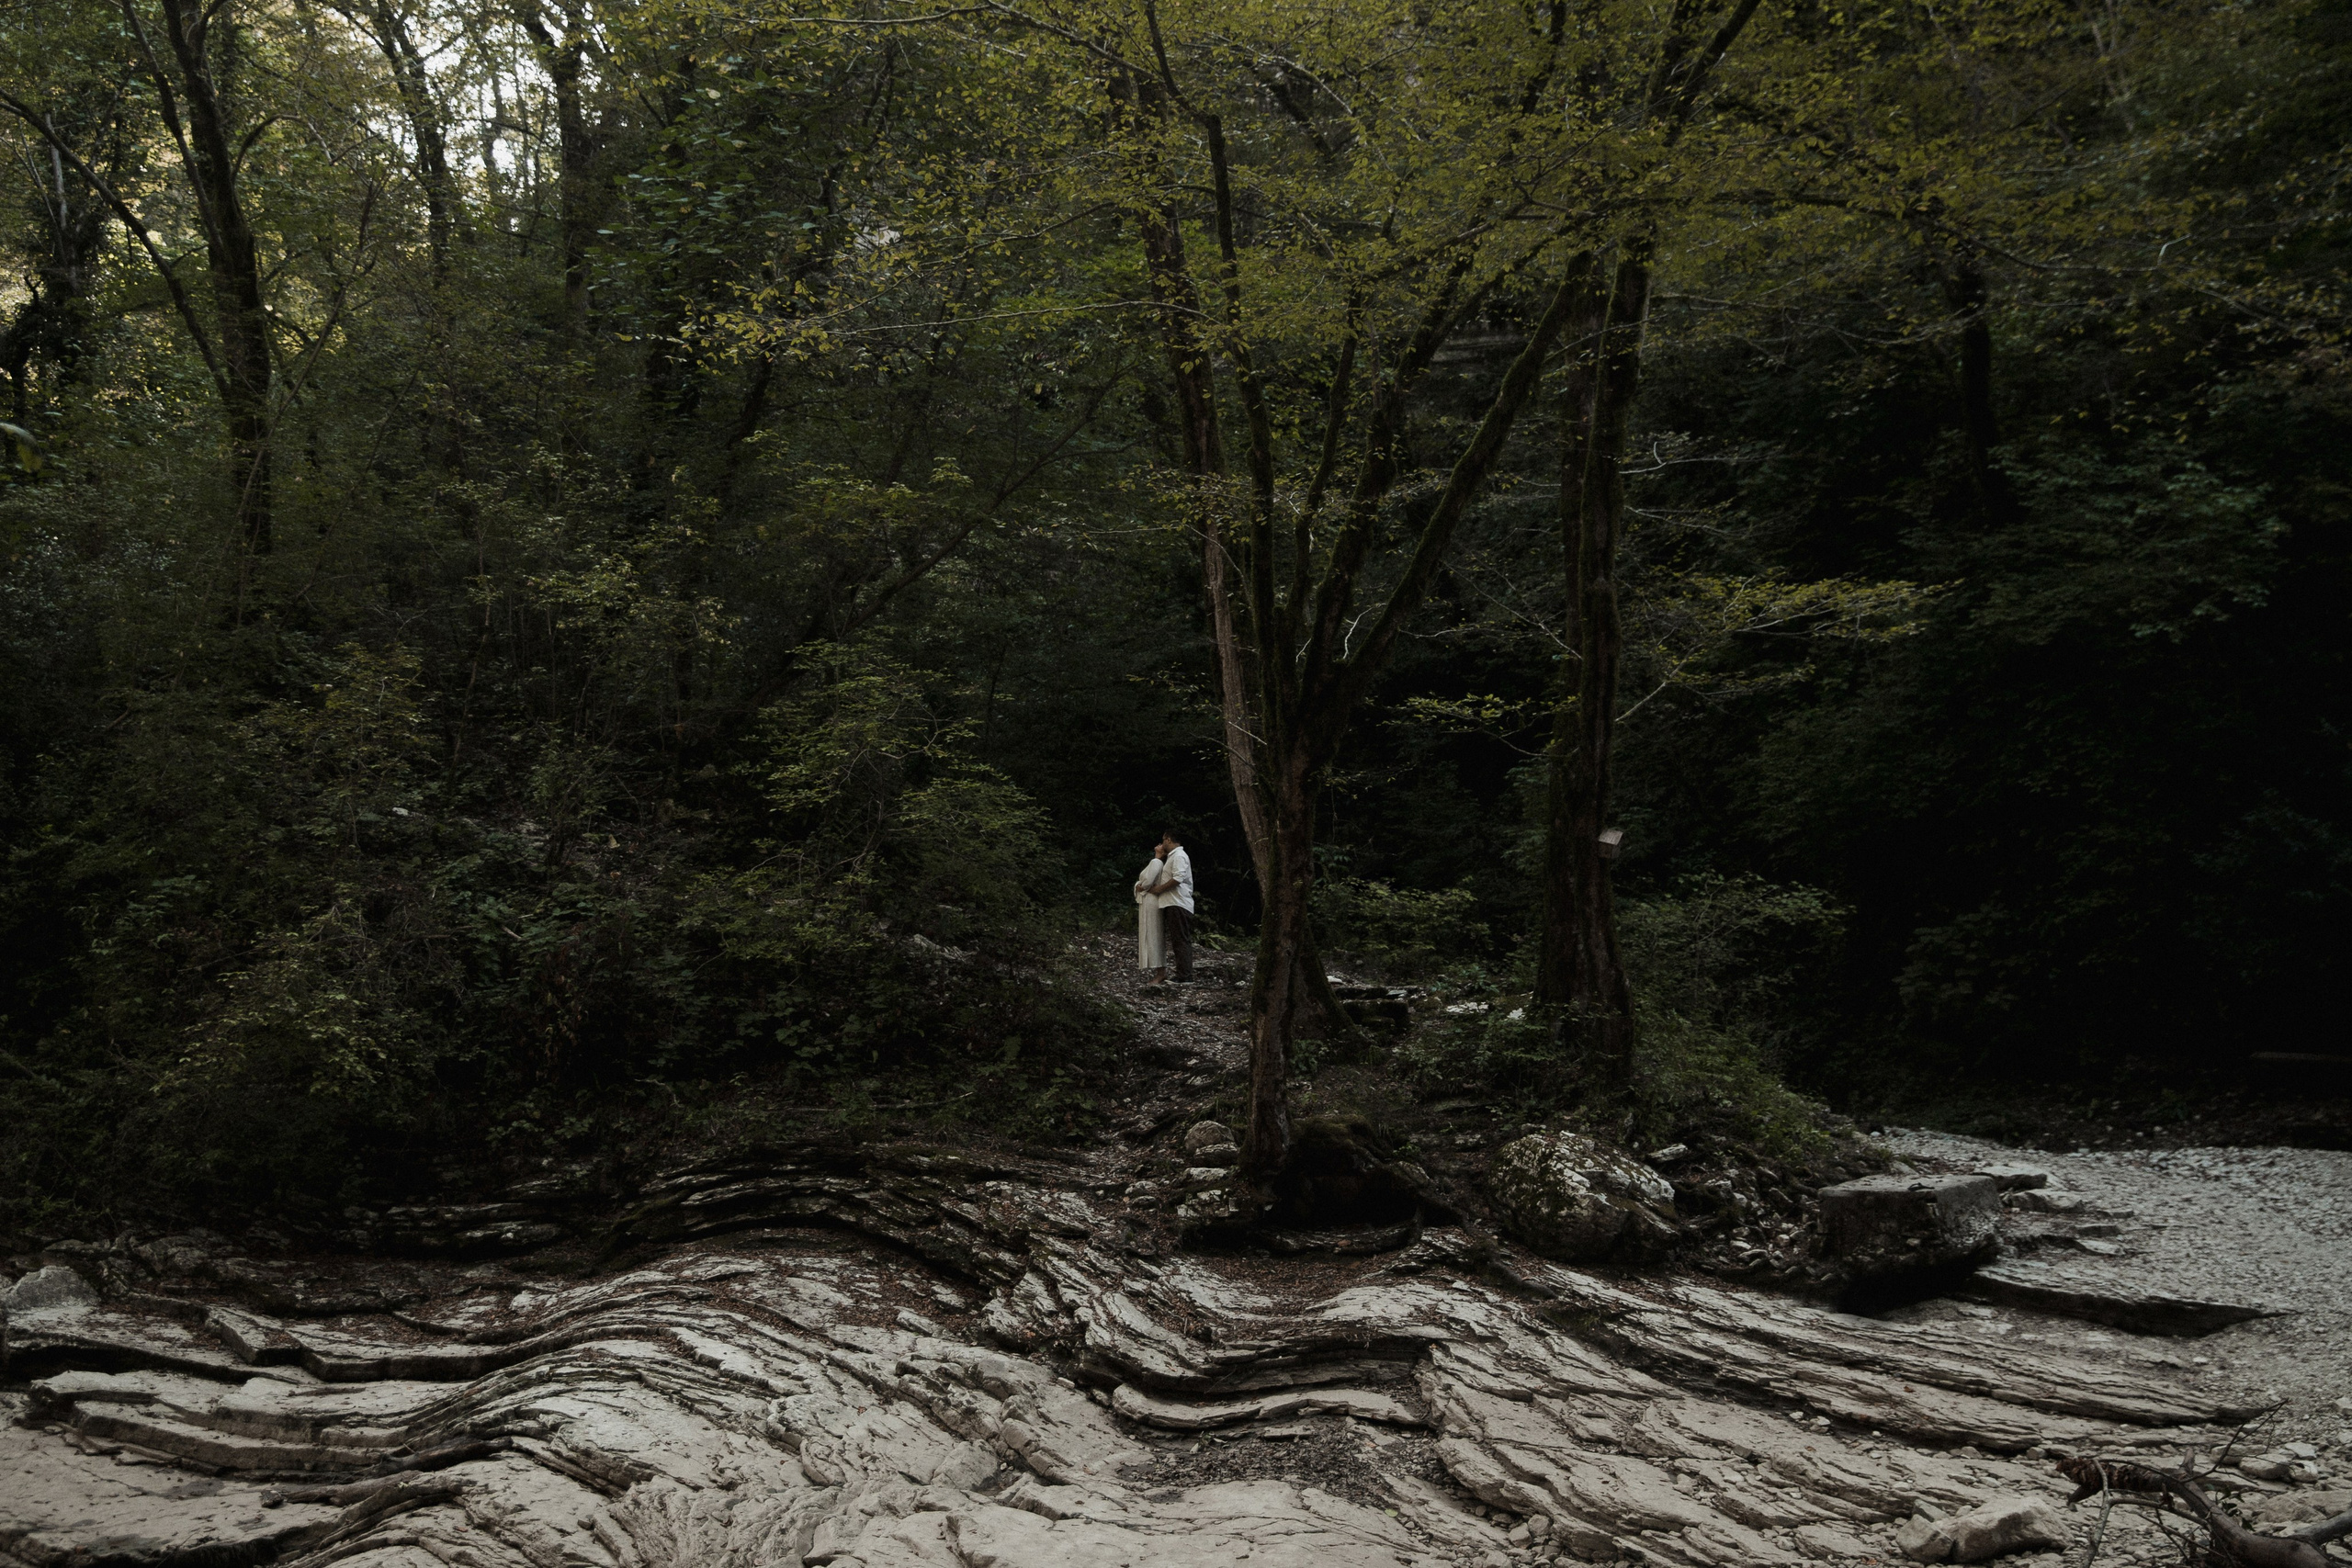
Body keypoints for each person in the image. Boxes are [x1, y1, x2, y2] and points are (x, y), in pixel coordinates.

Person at [1148, 829, 1195, 983]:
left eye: (1163, 840)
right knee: (1177, 939)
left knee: (1180, 939)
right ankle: (1183, 974)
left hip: (1178, 902)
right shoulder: (1172, 857)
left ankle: (1185, 976)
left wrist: (1159, 889)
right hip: (1173, 902)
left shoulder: (1179, 856)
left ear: (1168, 839)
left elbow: (1178, 878)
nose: (1162, 843)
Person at [1133, 850, 1169, 976]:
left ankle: (1160, 970)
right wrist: (1139, 885)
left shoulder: (1156, 862)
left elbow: (1147, 882)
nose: (1159, 845)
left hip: (1150, 899)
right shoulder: (1156, 863)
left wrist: (1141, 887)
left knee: (1152, 931)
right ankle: (1158, 968)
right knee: (1152, 931)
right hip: (1149, 898)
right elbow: (1143, 883)